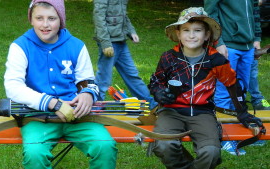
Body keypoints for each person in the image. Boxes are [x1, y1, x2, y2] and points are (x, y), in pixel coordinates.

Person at [4, 0, 117, 168]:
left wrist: (87, 94)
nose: (45, 24)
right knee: (35, 154)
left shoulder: (76, 45)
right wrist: (52, 103)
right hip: (37, 117)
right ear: (31, 19)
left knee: (105, 146)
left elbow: (88, 82)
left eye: (52, 18)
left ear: (61, 19)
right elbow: (13, 87)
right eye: (39, 18)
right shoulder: (20, 46)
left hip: (76, 115)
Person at [148, 7, 264, 169]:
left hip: (202, 113)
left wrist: (242, 112)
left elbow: (233, 85)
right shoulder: (169, 57)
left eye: (198, 30)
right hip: (171, 112)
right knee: (164, 146)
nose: (191, 35)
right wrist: (159, 92)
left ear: (207, 35)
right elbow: (156, 81)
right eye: (186, 30)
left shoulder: (215, 59)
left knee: (211, 152)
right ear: (178, 33)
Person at [204, 0, 269, 155]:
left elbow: (254, 12)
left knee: (241, 92)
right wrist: (218, 42)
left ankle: (239, 134)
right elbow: (210, 14)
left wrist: (256, 38)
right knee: (225, 92)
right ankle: (224, 137)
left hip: (248, 46)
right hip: (228, 46)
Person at [92, 0, 158, 111]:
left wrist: (131, 31)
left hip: (121, 42)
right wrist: (105, 43)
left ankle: (151, 105)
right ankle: (96, 108)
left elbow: (123, 16)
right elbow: (99, 18)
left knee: (132, 75)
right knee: (103, 80)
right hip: (110, 43)